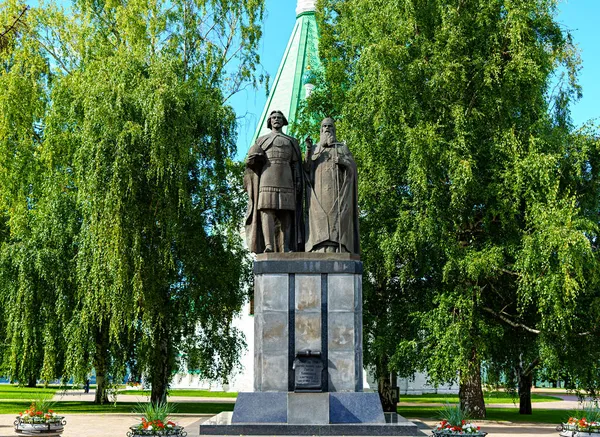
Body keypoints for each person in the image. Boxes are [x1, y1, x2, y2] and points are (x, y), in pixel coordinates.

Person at [244, 110, 304, 253]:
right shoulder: (261, 140)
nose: (276, 120)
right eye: (273, 118)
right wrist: (253, 160)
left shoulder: (291, 141)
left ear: (284, 121)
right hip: (267, 177)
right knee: (266, 210)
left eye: (279, 118)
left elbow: (296, 164)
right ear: (269, 122)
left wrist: (298, 179)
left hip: (286, 178)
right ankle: (269, 245)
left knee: (286, 212)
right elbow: (250, 163)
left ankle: (286, 246)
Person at [304, 118, 360, 254]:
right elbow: (305, 168)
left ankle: (337, 249)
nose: (327, 128)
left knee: (337, 219)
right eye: (324, 126)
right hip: (318, 194)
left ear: (333, 129)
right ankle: (318, 249)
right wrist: (307, 150)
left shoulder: (341, 148)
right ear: (321, 130)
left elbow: (353, 168)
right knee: (319, 220)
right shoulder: (315, 149)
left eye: (330, 126)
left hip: (337, 193)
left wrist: (343, 162)